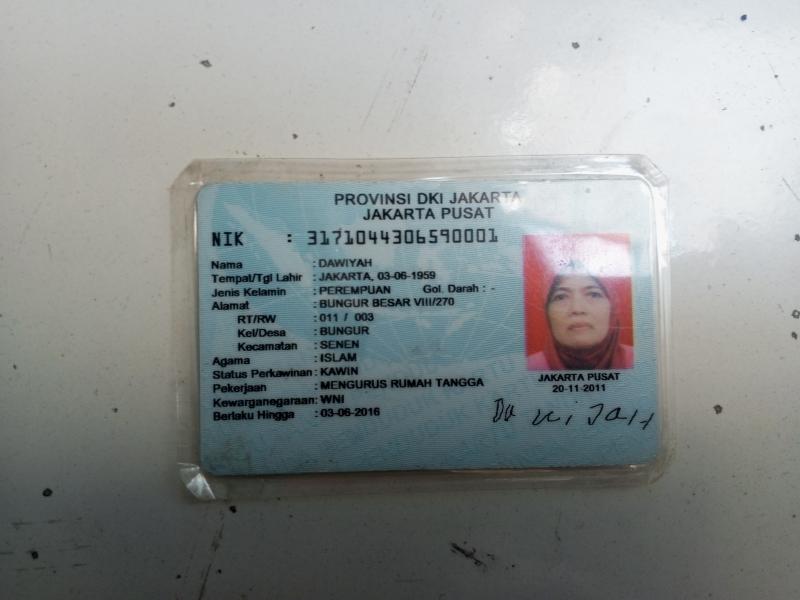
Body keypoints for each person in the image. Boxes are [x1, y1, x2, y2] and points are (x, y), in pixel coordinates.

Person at [527, 272, 633, 370]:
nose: (577, 309)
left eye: (593, 294)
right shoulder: (528, 368)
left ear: (612, 307)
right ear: (547, 312)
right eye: (561, 297)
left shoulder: (640, 363)